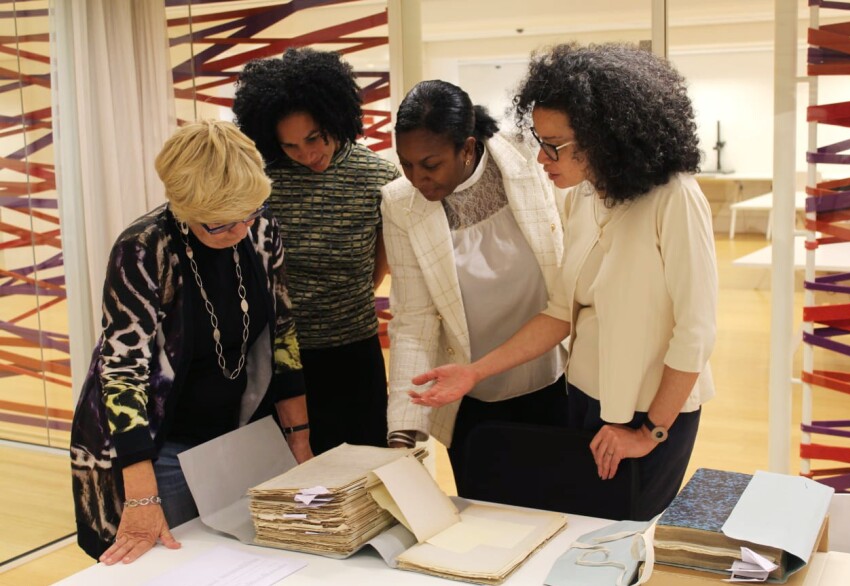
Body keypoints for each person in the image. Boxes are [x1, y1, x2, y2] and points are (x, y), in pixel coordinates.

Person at [409, 43, 717, 519]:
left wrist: (650, 431)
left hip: (653, 410)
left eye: (554, 146)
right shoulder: (584, 199)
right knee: (581, 529)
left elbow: (695, 333)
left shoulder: (674, 198)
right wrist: (475, 371)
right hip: (584, 402)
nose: (540, 159)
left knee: (625, 533)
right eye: (538, 140)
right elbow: (559, 313)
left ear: (606, 137)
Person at [69, 120, 313, 563]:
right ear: (184, 206)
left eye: (249, 214)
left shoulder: (260, 229)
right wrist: (141, 495)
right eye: (219, 224)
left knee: (246, 561)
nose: (239, 231)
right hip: (161, 447)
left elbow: (283, 333)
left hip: (235, 439)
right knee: (175, 565)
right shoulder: (144, 248)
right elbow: (123, 368)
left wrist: (299, 442)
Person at [382, 80, 568, 488]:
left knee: (560, 509)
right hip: (466, 394)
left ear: (467, 148)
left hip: (554, 380)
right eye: (406, 164)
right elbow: (414, 318)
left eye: (430, 165)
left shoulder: (531, 165)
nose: (417, 178)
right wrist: (404, 431)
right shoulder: (399, 203)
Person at [233, 48, 400, 455]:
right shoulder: (261, 182)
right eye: (290, 146)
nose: (307, 155)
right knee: (293, 484)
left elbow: (376, 271)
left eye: (314, 138)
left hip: (354, 355)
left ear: (336, 117)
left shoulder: (379, 178)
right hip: (281, 357)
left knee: (365, 471)